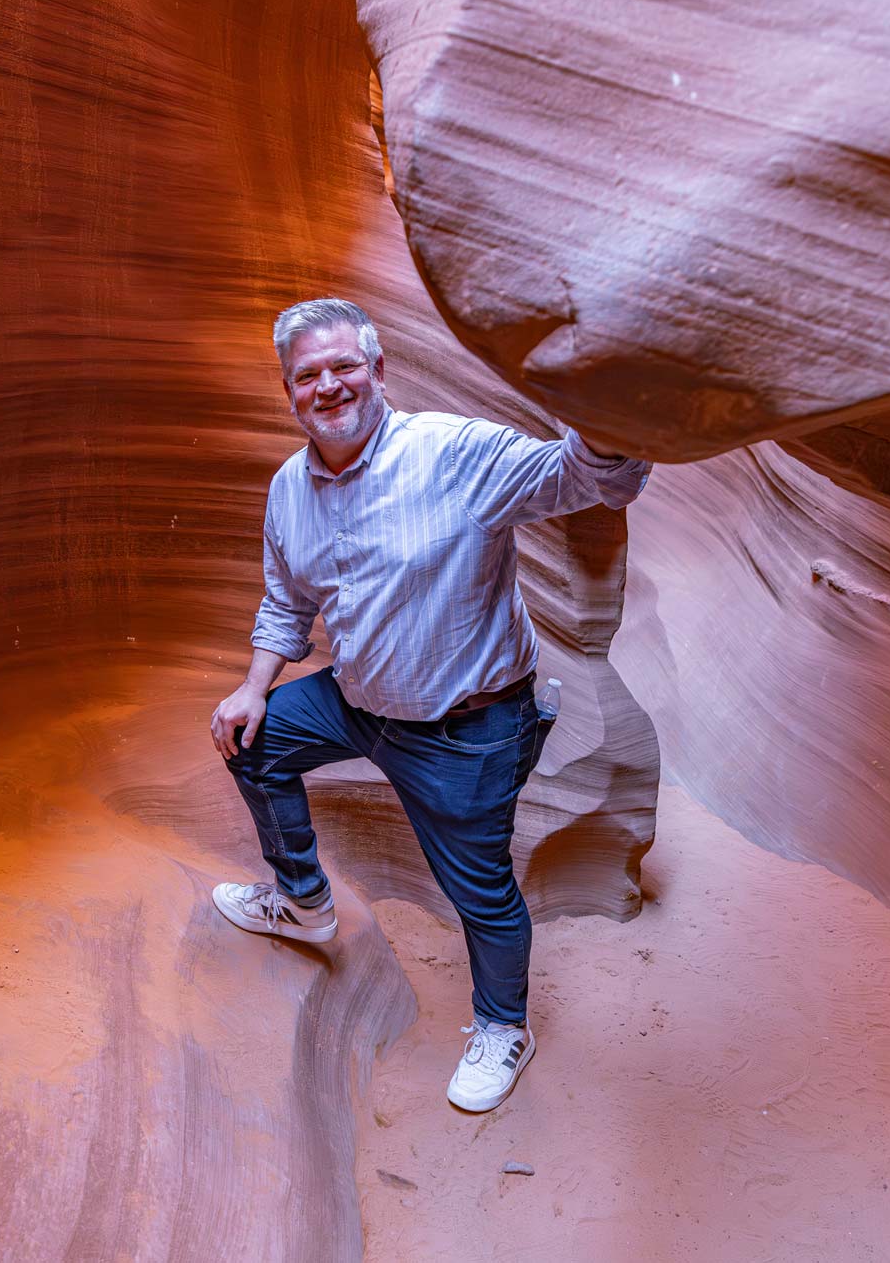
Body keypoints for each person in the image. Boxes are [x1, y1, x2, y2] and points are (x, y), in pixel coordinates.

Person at [208, 297, 652, 1113]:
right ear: (289, 392)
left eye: (344, 366)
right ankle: (303, 902)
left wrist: (608, 410)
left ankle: (502, 1026)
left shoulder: (452, 453)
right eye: (307, 375)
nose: (328, 385)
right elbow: (286, 602)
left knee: (479, 889)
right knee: (253, 740)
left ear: (378, 370)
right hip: (359, 699)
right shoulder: (289, 488)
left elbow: (583, 476)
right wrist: (253, 683)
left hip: (464, 726)